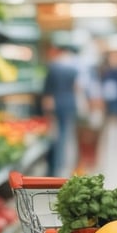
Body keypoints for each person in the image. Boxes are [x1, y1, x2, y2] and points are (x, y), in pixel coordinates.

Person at [42, 39, 81, 177]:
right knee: (67, 136)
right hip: (69, 104)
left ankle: (56, 167)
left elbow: (48, 90)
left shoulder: (54, 67)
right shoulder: (73, 68)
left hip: (56, 104)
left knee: (57, 137)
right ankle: (65, 166)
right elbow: (76, 88)